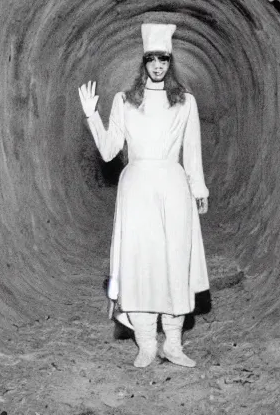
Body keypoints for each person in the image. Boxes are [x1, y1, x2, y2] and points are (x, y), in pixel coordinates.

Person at [77, 23, 209, 368]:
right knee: (141, 264)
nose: (158, 66)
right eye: (152, 59)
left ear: (170, 62)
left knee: (174, 262)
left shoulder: (185, 103)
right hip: (135, 190)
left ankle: (174, 344)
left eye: (164, 59)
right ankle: (147, 343)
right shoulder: (124, 102)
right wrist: (93, 115)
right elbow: (108, 151)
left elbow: (192, 152)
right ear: (143, 62)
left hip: (173, 187)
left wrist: (198, 188)